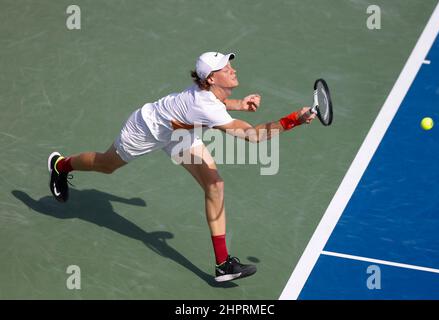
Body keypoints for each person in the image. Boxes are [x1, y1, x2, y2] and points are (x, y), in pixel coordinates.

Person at [48, 51, 316, 282]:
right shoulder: (205, 105)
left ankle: (223, 265)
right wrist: (294, 119)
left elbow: (216, 104)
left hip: (178, 131)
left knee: (215, 185)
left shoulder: (209, 94)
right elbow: (253, 135)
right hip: (146, 129)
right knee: (106, 165)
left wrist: (238, 104)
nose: (232, 70)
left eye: (230, 65)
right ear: (211, 79)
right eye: (225, 68)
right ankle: (61, 165)